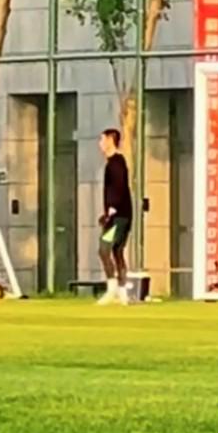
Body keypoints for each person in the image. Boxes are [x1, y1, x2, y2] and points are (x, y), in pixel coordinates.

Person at [97, 128, 133, 305]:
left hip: (119, 217)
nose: (100, 144)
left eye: (102, 140)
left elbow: (119, 187)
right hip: (120, 215)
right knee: (117, 251)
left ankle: (112, 288)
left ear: (111, 141)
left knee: (104, 248)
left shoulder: (116, 163)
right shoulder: (112, 163)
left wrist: (111, 209)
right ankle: (122, 291)